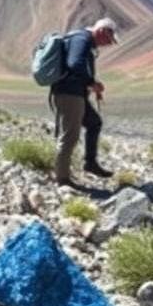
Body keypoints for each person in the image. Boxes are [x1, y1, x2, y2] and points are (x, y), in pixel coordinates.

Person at [51, 17, 120, 186]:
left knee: (94, 123)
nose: (108, 44)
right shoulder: (82, 39)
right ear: (102, 31)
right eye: (108, 39)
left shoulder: (85, 41)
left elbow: (78, 65)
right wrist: (92, 83)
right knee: (70, 136)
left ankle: (90, 163)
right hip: (70, 94)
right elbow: (75, 63)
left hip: (76, 93)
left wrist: (90, 84)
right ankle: (62, 179)